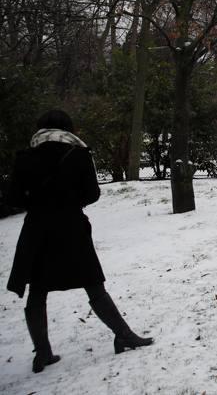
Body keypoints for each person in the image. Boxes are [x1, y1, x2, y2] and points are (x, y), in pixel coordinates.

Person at [6, 110, 153, 374]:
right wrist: (70, 203)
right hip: (71, 227)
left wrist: (39, 204)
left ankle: (42, 353)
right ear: (68, 128)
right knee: (93, 285)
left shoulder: (25, 157)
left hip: (37, 230)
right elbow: (93, 193)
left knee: (37, 291)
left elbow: (14, 197)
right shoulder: (78, 154)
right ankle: (123, 335)